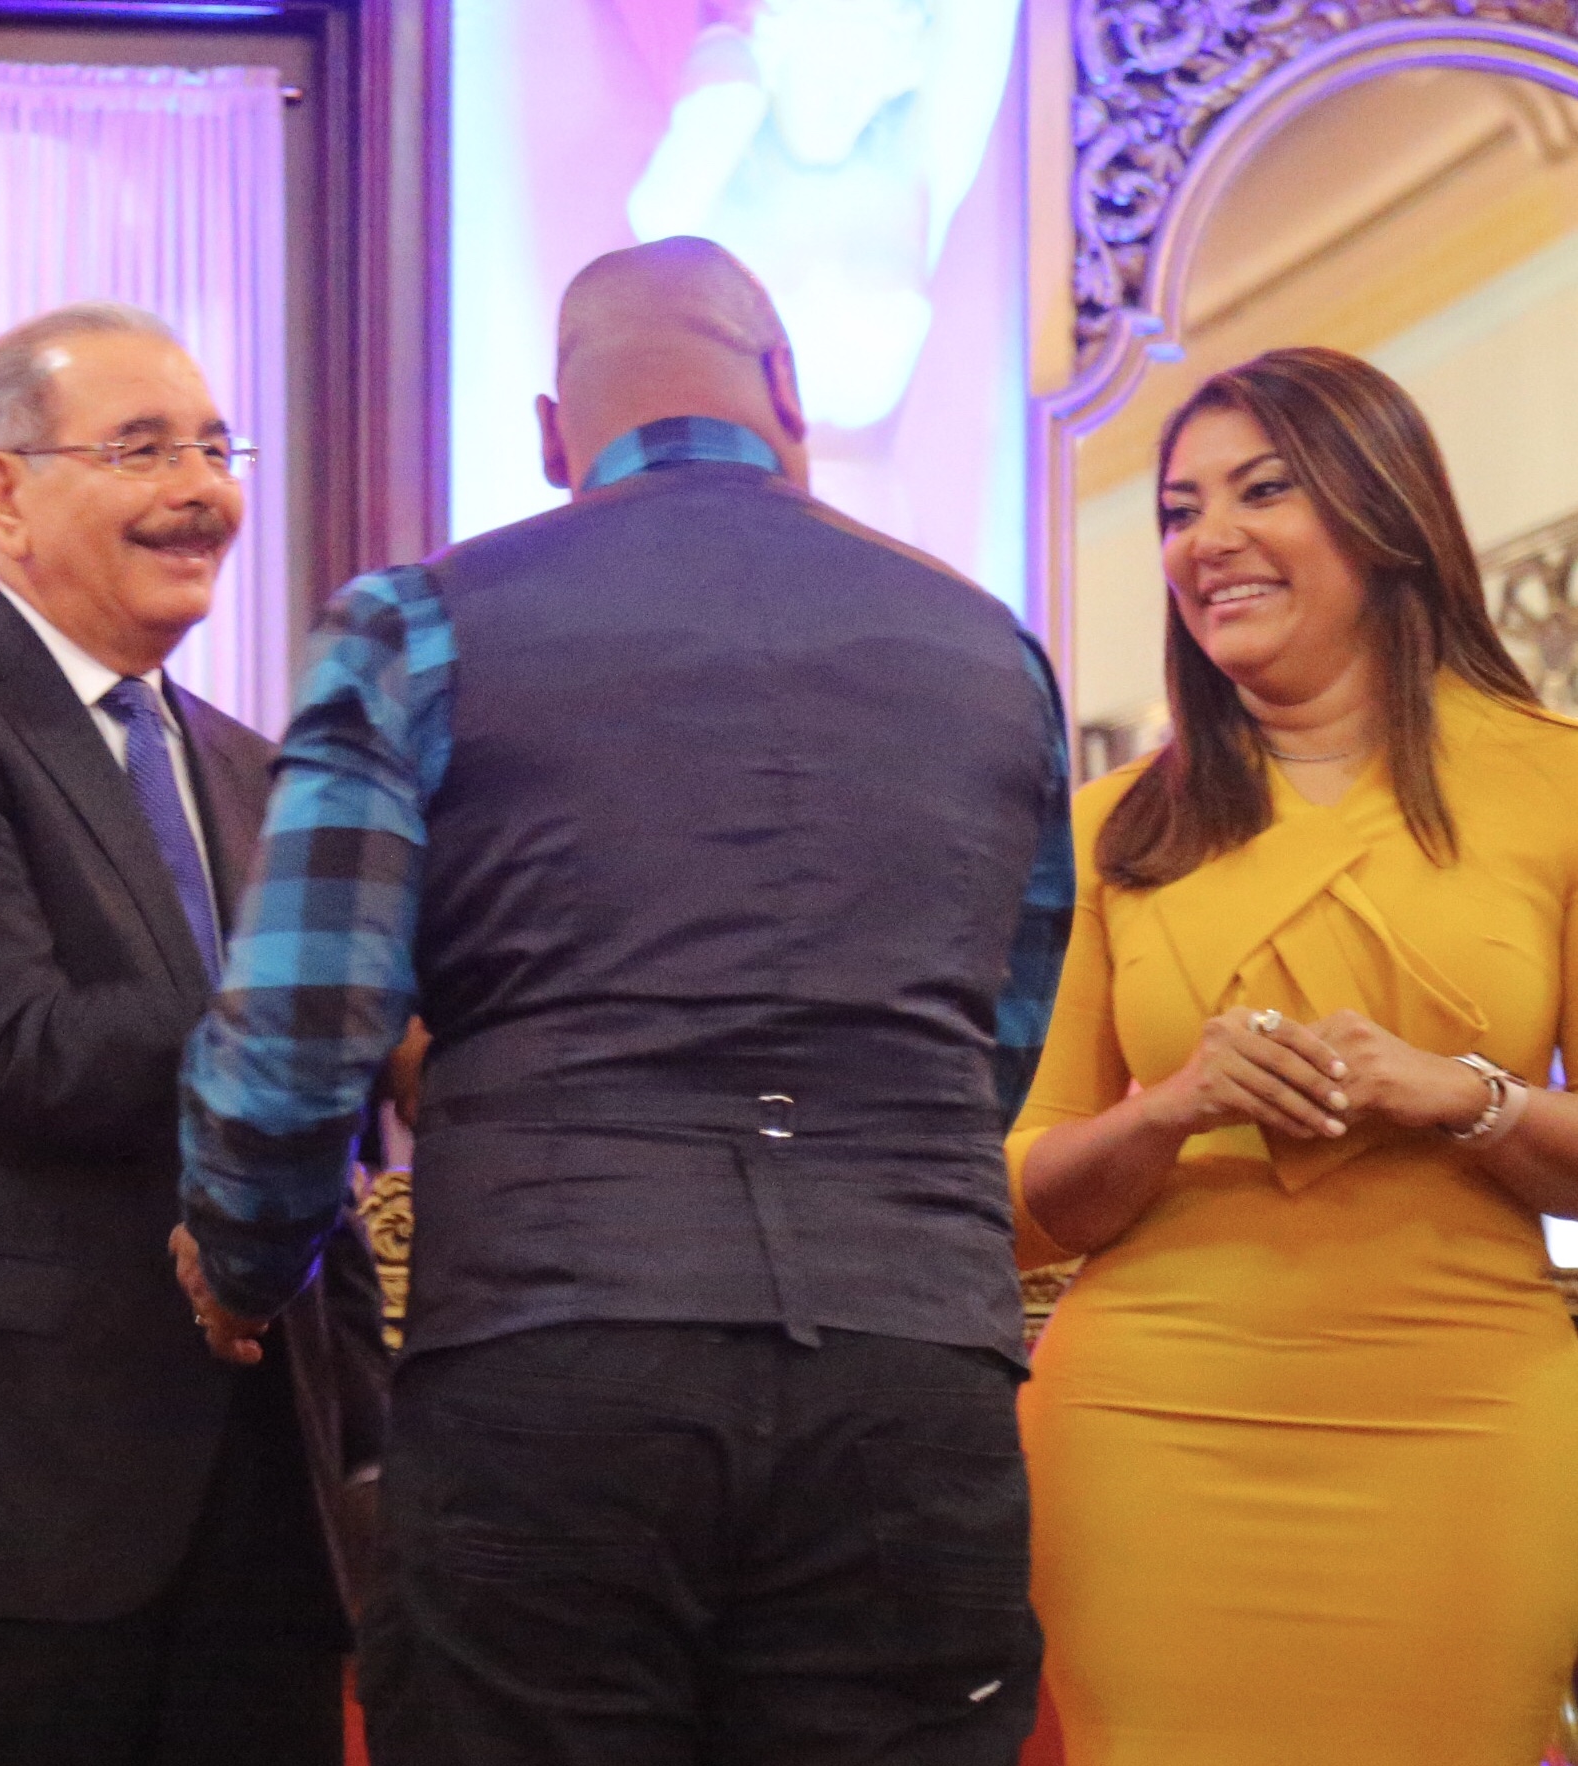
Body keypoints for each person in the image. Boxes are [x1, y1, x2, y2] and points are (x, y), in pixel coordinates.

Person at [174, 234, 1074, 1764]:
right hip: (908, 1364)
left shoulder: (419, 624)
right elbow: (1001, 1030)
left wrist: (246, 1258)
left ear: (551, 436)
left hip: (557, 1357)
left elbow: (306, 1023)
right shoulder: (992, 651)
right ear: (785, 384)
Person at [0, 301, 387, 1766]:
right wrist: (316, 997)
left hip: (267, 1499)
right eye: (143, 449)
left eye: (215, 448)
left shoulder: (258, 771)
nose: (202, 489)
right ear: (3, 495)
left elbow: (334, 1115)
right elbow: (23, 1049)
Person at [1009, 346, 1578, 1764]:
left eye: (1262, 490)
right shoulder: (1106, 831)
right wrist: (1167, 1112)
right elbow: (1012, 1202)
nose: (1208, 538)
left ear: (1383, 514)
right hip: (1149, 1425)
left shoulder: (1557, 784)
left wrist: (1468, 1098)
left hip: (1469, 1417)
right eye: (1179, 509)